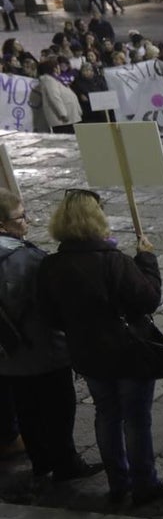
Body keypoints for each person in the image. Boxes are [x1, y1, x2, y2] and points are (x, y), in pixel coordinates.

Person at [37, 189, 163, 506]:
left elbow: (49, 316)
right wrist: (147, 260)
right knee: (136, 418)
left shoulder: (51, 265)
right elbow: (149, 299)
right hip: (128, 353)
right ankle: (144, 483)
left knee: (106, 415)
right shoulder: (114, 261)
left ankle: (119, 483)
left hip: (88, 355)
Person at [0, 190, 101, 492]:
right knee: (58, 409)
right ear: (2, 224)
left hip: (8, 355)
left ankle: (41, 461)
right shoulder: (28, 258)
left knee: (26, 409)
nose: (27, 221)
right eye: (21, 217)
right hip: (43, 351)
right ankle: (66, 464)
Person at [38, 60, 83, 134]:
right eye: (58, 66)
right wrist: (63, 113)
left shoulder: (57, 79)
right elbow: (54, 97)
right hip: (62, 119)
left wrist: (78, 109)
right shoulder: (48, 80)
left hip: (70, 115)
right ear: (54, 68)